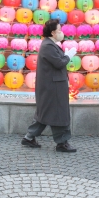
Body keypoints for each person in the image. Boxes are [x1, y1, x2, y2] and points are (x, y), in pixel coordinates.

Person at [21, 19, 77, 153]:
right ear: (52, 32)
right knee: (59, 113)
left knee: (45, 113)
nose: (61, 33)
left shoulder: (50, 44)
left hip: (53, 84)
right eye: (59, 30)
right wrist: (68, 56)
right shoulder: (48, 46)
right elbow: (59, 63)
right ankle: (62, 142)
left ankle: (29, 137)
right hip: (53, 85)